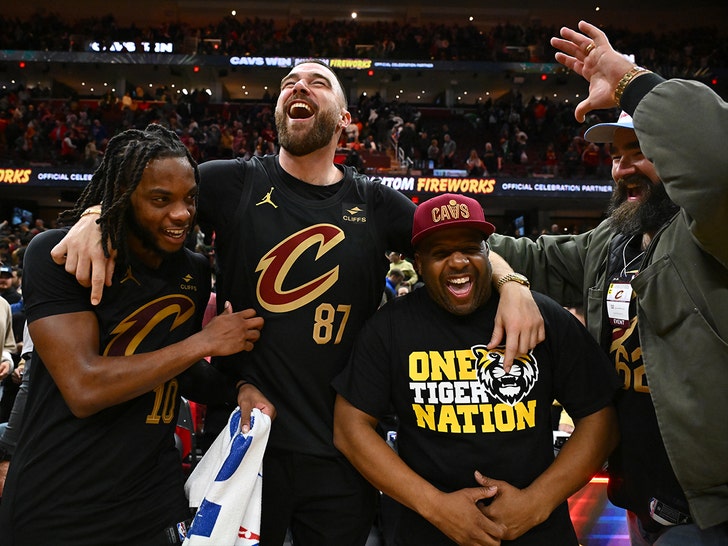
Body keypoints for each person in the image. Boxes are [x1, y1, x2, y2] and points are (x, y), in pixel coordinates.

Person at [50, 61, 543, 546]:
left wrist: (513, 283)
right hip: (245, 442)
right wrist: (95, 216)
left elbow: (456, 245)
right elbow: (148, 190)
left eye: (317, 82)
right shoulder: (233, 181)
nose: (297, 87)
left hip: (343, 452)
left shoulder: (374, 202)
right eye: (288, 83)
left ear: (345, 120)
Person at [487, 20, 728, 545]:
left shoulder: (709, 230)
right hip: (640, 496)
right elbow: (528, 256)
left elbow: (716, 164)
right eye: (615, 156)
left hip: (710, 508)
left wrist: (628, 79)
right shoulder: (611, 242)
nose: (622, 169)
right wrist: (427, 230)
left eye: (639, 150)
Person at [0, 124, 266, 546]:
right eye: (161, 200)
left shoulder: (193, 270)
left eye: (189, 199)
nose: (181, 213)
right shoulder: (57, 256)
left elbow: (173, 366)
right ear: (123, 197)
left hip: (153, 498)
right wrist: (206, 342)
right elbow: (83, 387)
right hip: (61, 500)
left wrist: (240, 388)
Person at [333, 193, 619, 545]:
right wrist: (436, 506)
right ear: (418, 264)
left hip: (535, 534)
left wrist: (536, 503)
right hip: (424, 532)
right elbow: (349, 428)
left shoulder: (540, 317)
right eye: (440, 253)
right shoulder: (389, 327)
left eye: (470, 248)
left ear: (488, 253)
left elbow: (601, 420)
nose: (458, 262)